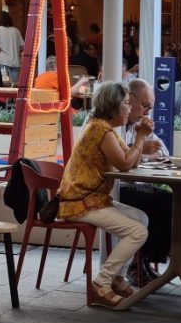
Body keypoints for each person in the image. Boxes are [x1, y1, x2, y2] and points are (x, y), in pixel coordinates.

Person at [58, 81, 150, 308]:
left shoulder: (103, 127)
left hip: (92, 199)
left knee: (141, 218)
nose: (130, 108)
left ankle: (116, 278)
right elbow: (125, 165)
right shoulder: (100, 130)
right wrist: (140, 138)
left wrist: (140, 137)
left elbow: (129, 158)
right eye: (127, 103)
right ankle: (101, 283)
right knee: (137, 231)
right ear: (113, 106)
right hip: (80, 202)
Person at [116, 79, 181, 282]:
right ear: (129, 99)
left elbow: (163, 151)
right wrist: (142, 148)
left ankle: (144, 259)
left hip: (132, 185)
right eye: (145, 105)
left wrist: (147, 148)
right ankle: (138, 264)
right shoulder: (113, 124)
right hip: (112, 189)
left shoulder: (136, 124)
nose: (147, 111)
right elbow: (121, 161)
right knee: (168, 203)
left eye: (150, 107)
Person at [0, 11, 24, 84]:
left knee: (3, 84)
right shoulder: (16, 31)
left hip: (3, 61)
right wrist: (17, 53)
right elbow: (23, 46)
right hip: (15, 62)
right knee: (13, 86)